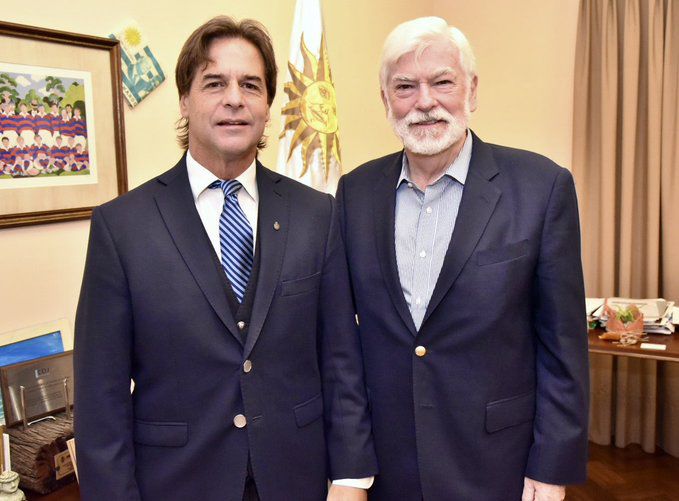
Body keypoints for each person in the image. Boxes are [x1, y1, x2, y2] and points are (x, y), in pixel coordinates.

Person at [74, 16, 376, 501]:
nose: (234, 99)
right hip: (177, 484)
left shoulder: (317, 214)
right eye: (214, 83)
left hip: (297, 481)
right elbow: (100, 398)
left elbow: (341, 361)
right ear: (184, 100)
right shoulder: (121, 227)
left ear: (268, 105)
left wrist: (350, 478)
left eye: (250, 85)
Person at [336, 17, 588, 501]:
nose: (425, 102)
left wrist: (551, 468)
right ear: (385, 99)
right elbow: (344, 348)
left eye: (442, 82)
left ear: (472, 90)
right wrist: (351, 470)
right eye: (405, 86)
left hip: (499, 464)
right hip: (389, 466)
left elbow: (563, 348)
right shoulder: (354, 193)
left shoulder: (541, 187)